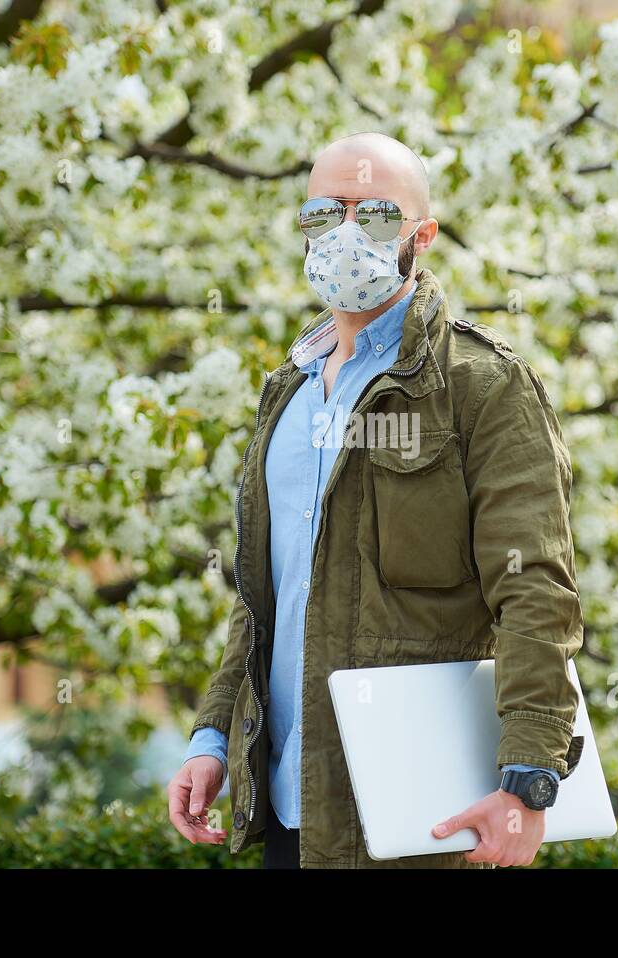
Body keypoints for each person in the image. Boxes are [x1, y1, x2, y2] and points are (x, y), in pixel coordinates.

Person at [167, 132, 584, 869]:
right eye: (325, 214)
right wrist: (212, 739)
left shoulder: (482, 387)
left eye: (377, 215)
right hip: (292, 812)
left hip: (419, 817)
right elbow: (261, 597)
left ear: (422, 235)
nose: (347, 233)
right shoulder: (288, 393)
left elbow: (535, 590)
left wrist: (530, 777)